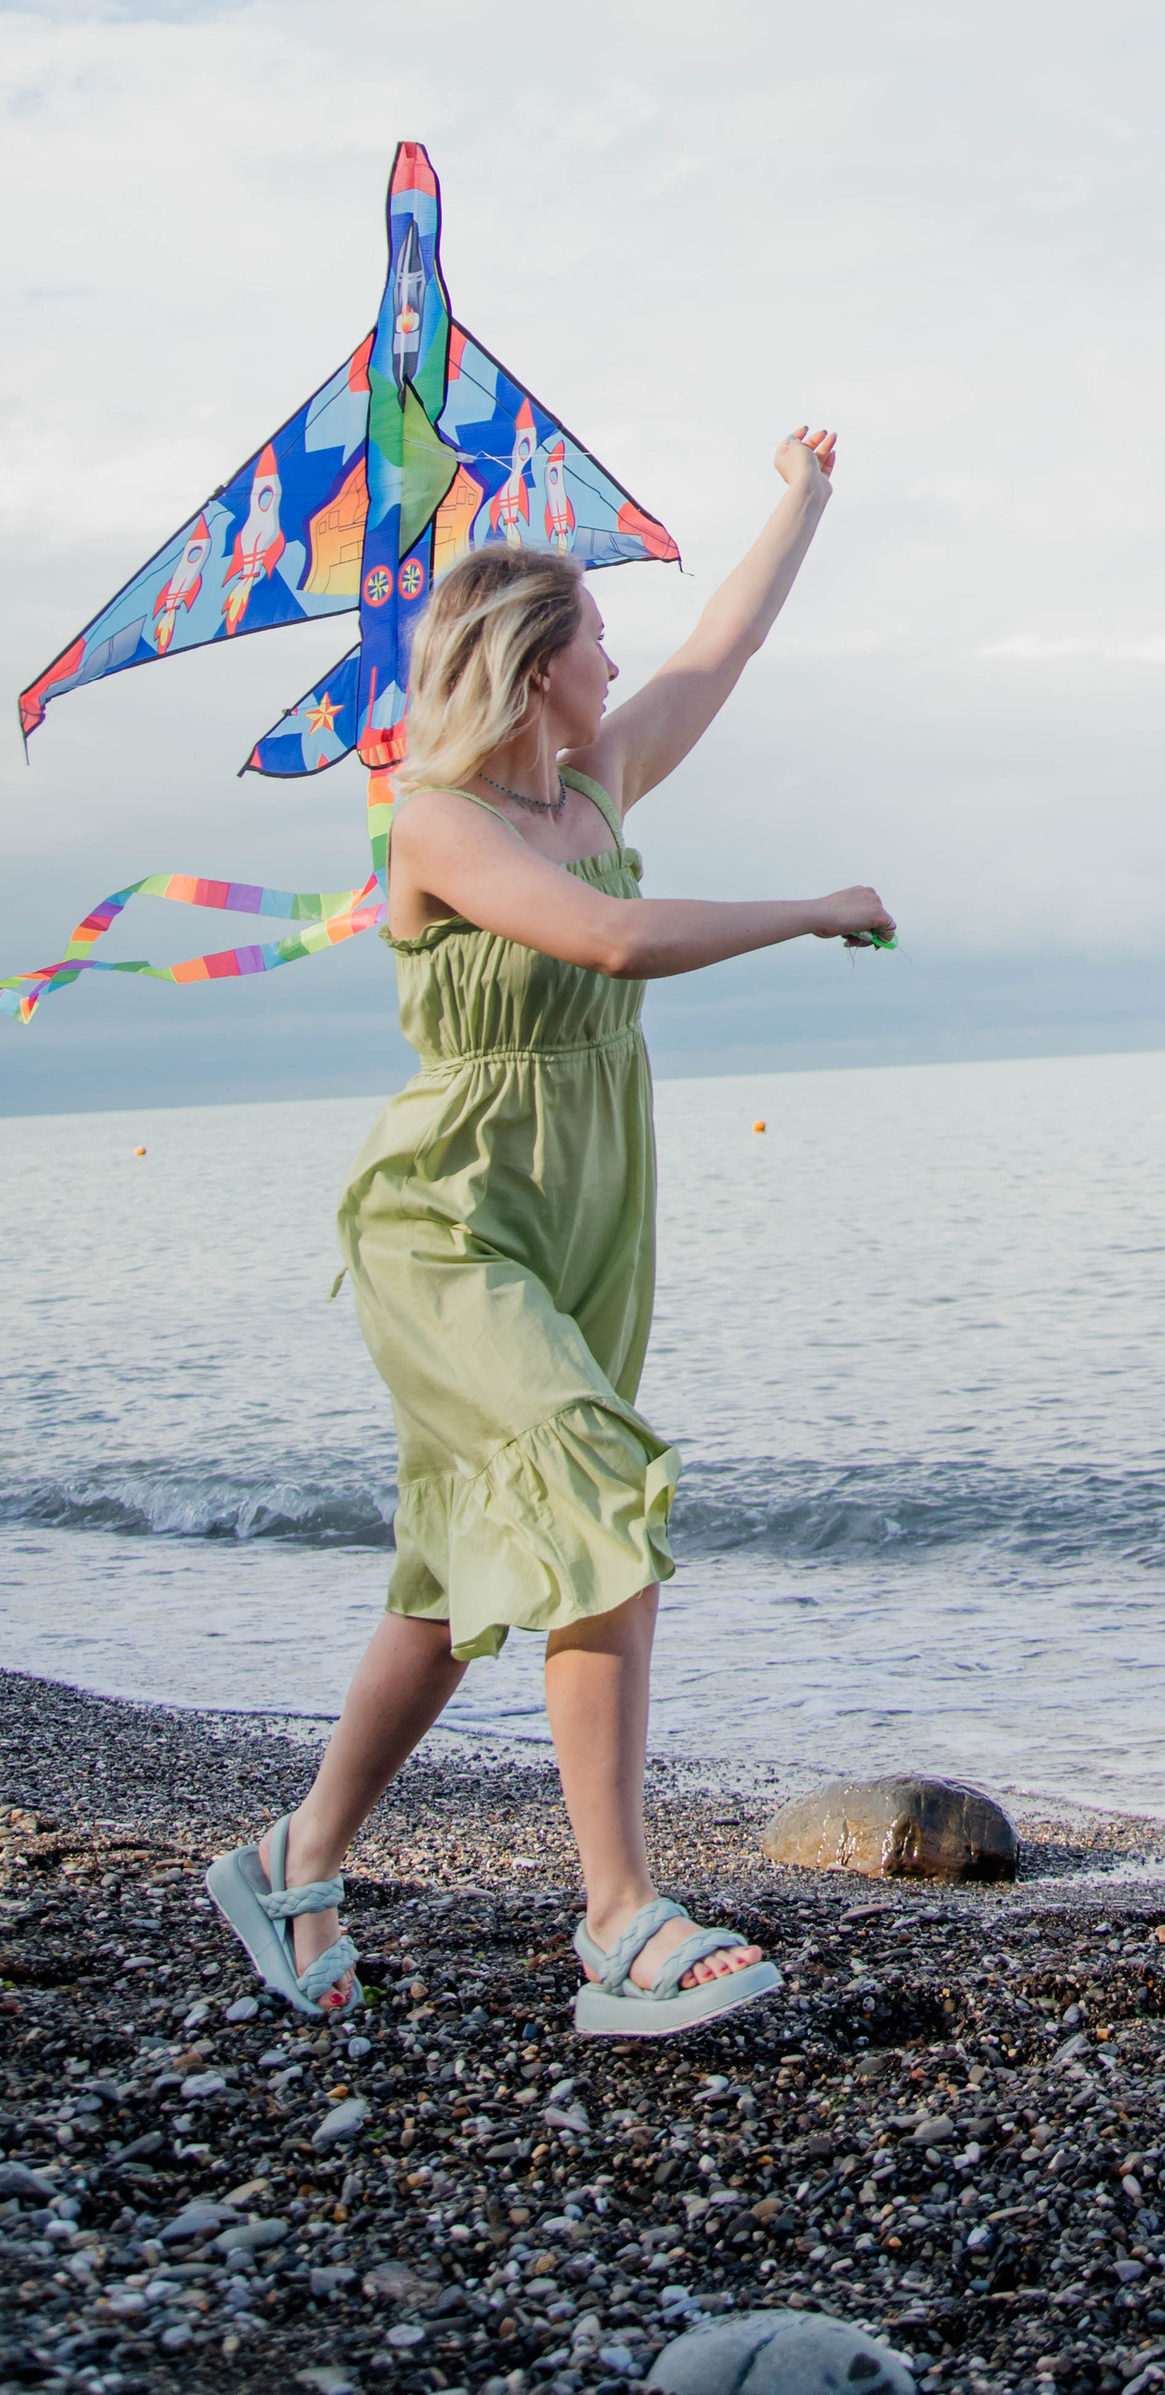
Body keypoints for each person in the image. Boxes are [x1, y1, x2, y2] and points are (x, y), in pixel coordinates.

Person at [204, 428, 891, 2042]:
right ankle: (619, 1922)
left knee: (451, 1576)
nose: (620, 657)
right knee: (593, 1485)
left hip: (586, 1210)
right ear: (534, 668)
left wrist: (803, 501)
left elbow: (723, 644)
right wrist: (809, 908)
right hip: (450, 1221)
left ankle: (293, 1859)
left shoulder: (594, 783)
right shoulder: (441, 825)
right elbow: (611, 939)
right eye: (596, 637)